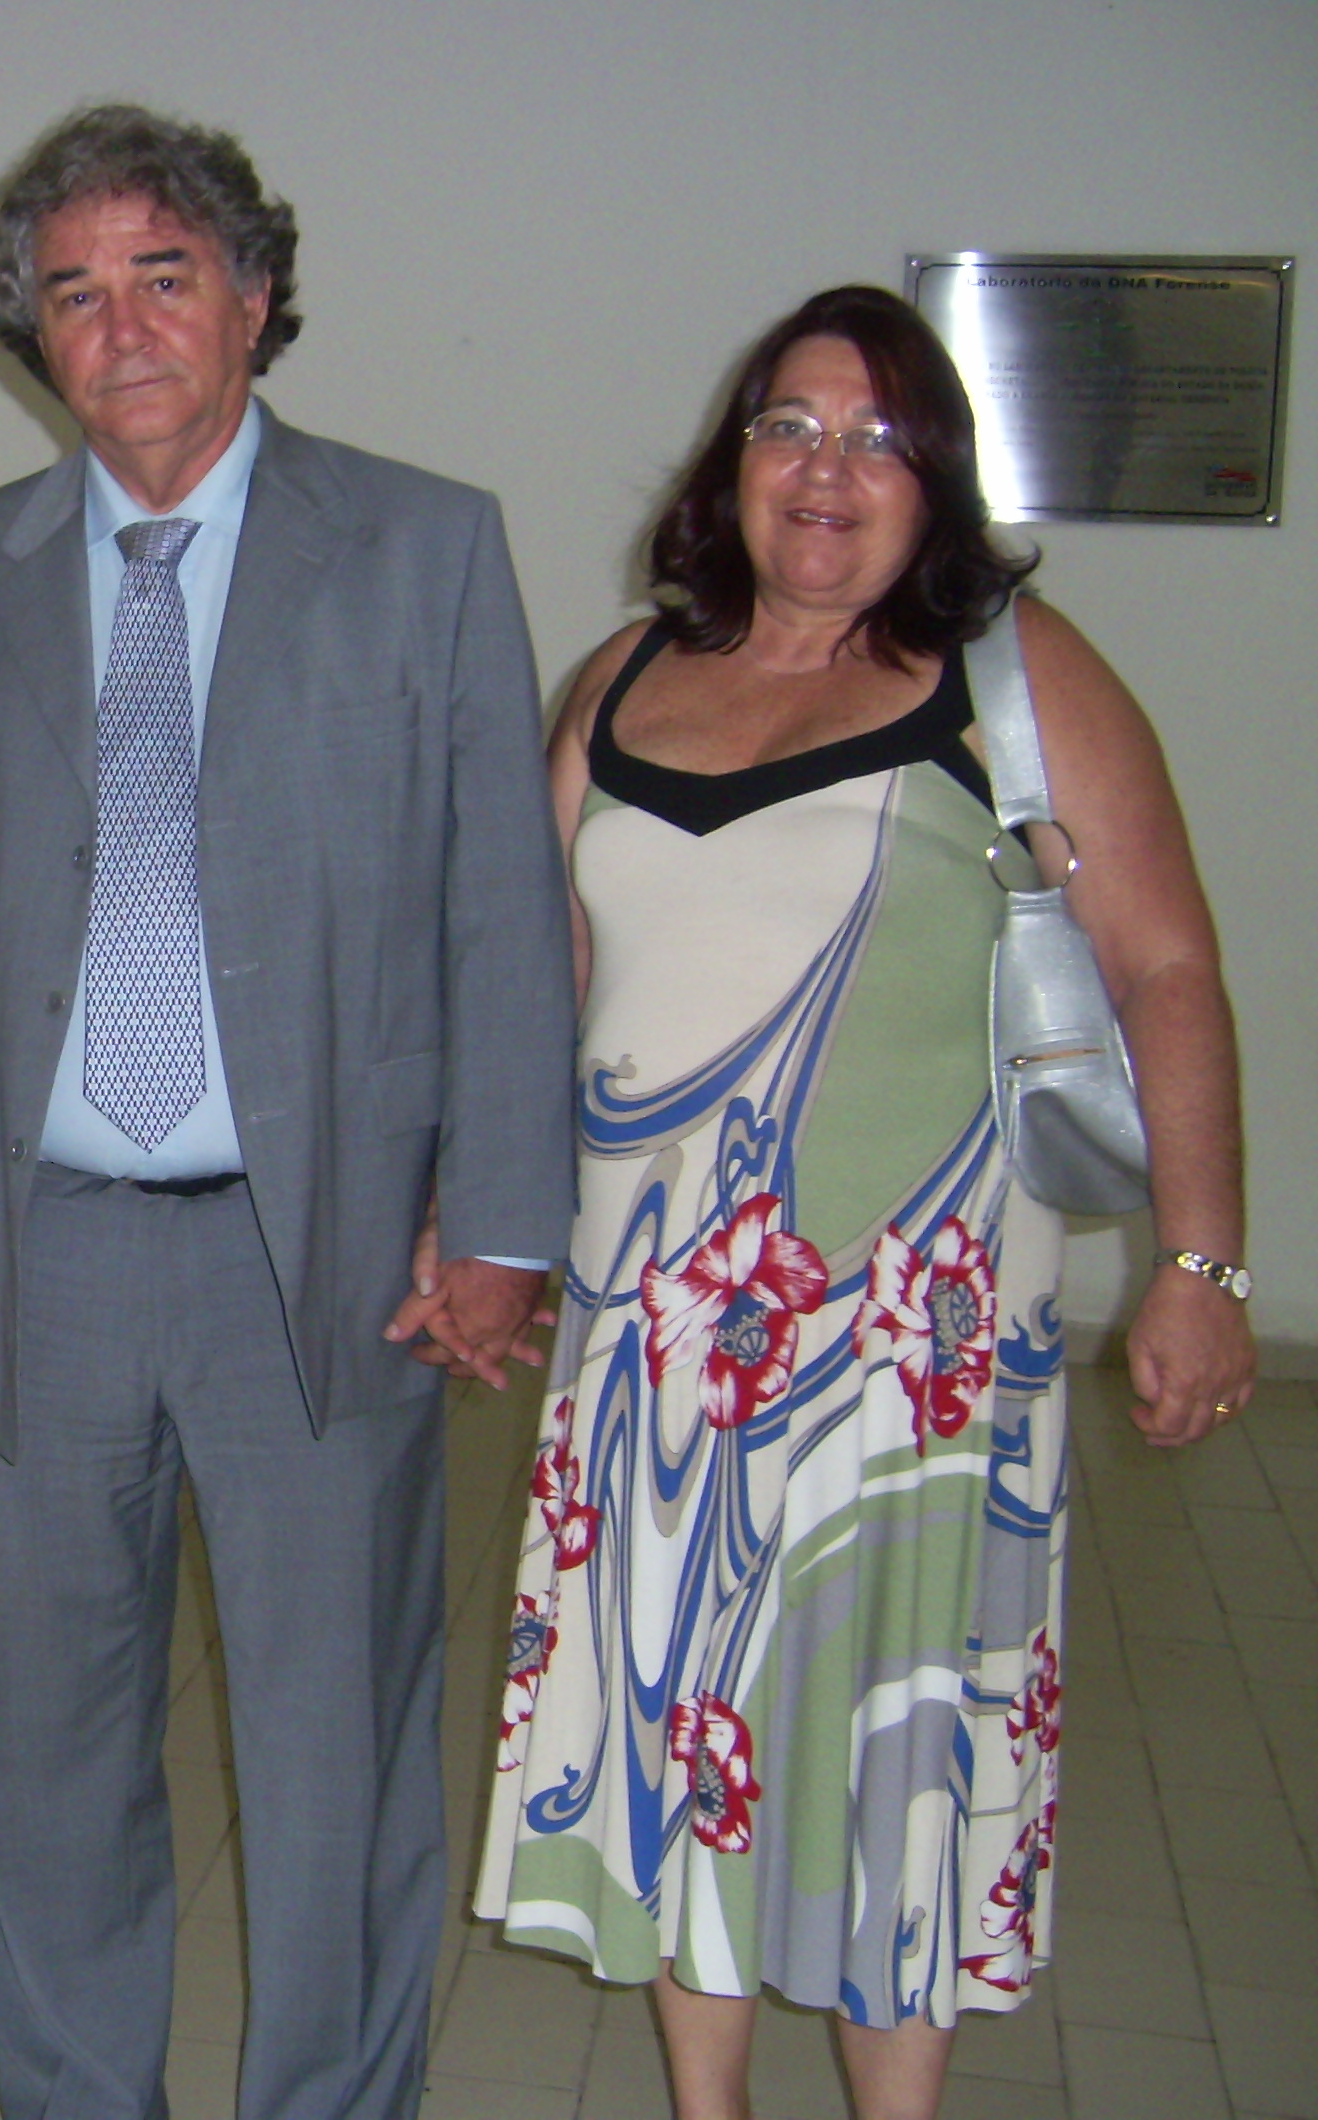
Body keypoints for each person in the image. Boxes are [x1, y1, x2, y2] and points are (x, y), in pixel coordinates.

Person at [0, 104, 578, 2120]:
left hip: (320, 1250)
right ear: (32, 337)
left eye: (164, 276)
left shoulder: (422, 547)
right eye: (73, 293)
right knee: (53, 1753)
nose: (123, 326)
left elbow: (502, 912)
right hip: (36, 1258)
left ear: (253, 298)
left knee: (335, 1754)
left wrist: (504, 1222)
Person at [474, 284, 1255, 2120]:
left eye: (879, 440)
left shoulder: (1012, 678)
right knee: (676, 1726)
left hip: (909, 1369)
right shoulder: (620, 679)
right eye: (790, 428)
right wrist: (484, 1231)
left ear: (938, 483)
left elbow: (1167, 968)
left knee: (886, 1752)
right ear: (730, 463)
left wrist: (1202, 1263)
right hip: (655, 1351)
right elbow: (532, 980)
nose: (827, 470)